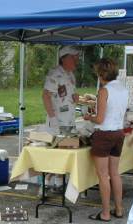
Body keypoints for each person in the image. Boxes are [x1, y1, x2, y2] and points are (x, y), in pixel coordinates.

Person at [83, 58, 128, 222]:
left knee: (103, 175)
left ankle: (105, 213)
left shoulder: (104, 91)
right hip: (119, 133)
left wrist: (89, 117)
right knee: (115, 173)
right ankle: (119, 208)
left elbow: (100, 119)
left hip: (104, 134)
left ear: (101, 74)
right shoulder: (123, 89)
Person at [42, 45, 81, 191]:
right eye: (74, 57)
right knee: (55, 152)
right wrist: (52, 117)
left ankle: (59, 182)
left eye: (77, 57)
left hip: (69, 119)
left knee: (66, 151)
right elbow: (46, 95)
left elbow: (65, 95)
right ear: (64, 58)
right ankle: (47, 181)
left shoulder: (71, 74)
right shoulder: (54, 73)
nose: (76, 60)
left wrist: (75, 98)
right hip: (57, 120)